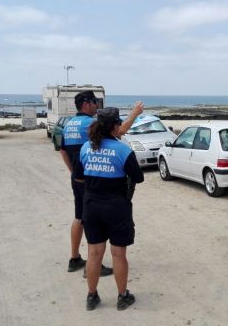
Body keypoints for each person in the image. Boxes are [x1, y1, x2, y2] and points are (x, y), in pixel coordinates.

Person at [59, 91, 143, 276]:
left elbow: (63, 151)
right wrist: (135, 114)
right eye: (95, 102)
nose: (97, 105)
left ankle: (74, 258)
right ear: (86, 104)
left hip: (80, 177)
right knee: (96, 227)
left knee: (79, 216)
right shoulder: (91, 123)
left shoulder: (68, 124)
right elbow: (118, 132)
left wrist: (74, 173)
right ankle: (93, 266)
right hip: (95, 182)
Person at [80, 107, 144, 311]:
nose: (120, 127)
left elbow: (78, 176)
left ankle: (91, 296)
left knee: (94, 253)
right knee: (118, 253)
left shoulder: (86, 147)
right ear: (115, 127)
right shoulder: (122, 150)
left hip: (91, 205)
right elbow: (138, 177)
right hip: (116, 206)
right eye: (119, 124)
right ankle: (122, 296)